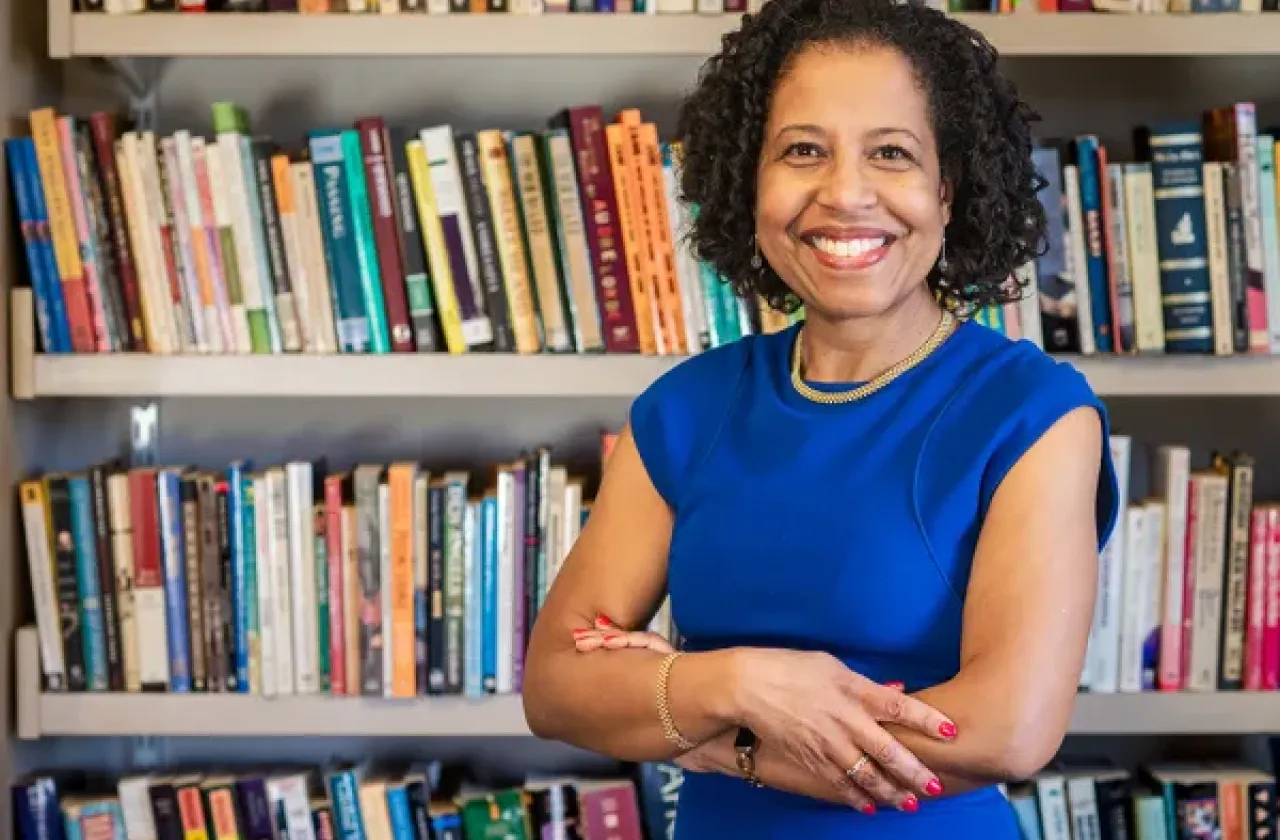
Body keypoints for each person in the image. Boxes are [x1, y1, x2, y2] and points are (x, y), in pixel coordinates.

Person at [522, 0, 1120, 836]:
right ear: (750, 182)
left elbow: (1005, 731)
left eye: (892, 154)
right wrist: (741, 682)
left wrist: (709, 736)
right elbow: (555, 686)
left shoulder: (1032, 413)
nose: (845, 193)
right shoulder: (685, 408)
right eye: (803, 151)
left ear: (947, 190)